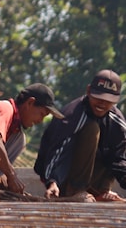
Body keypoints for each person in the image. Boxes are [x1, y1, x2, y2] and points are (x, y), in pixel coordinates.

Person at [34, 69, 126, 202]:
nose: (102, 104)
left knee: (115, 140)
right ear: (88, 91)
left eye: (108, 101)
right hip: (62, 178)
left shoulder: (117, 122)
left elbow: (119, 159)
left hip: (92, 179)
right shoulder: (71, 116)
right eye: (98, 98)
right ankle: (76, 190)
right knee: (92, 128)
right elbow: (55, 153)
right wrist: (52, 181)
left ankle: (101, 191)